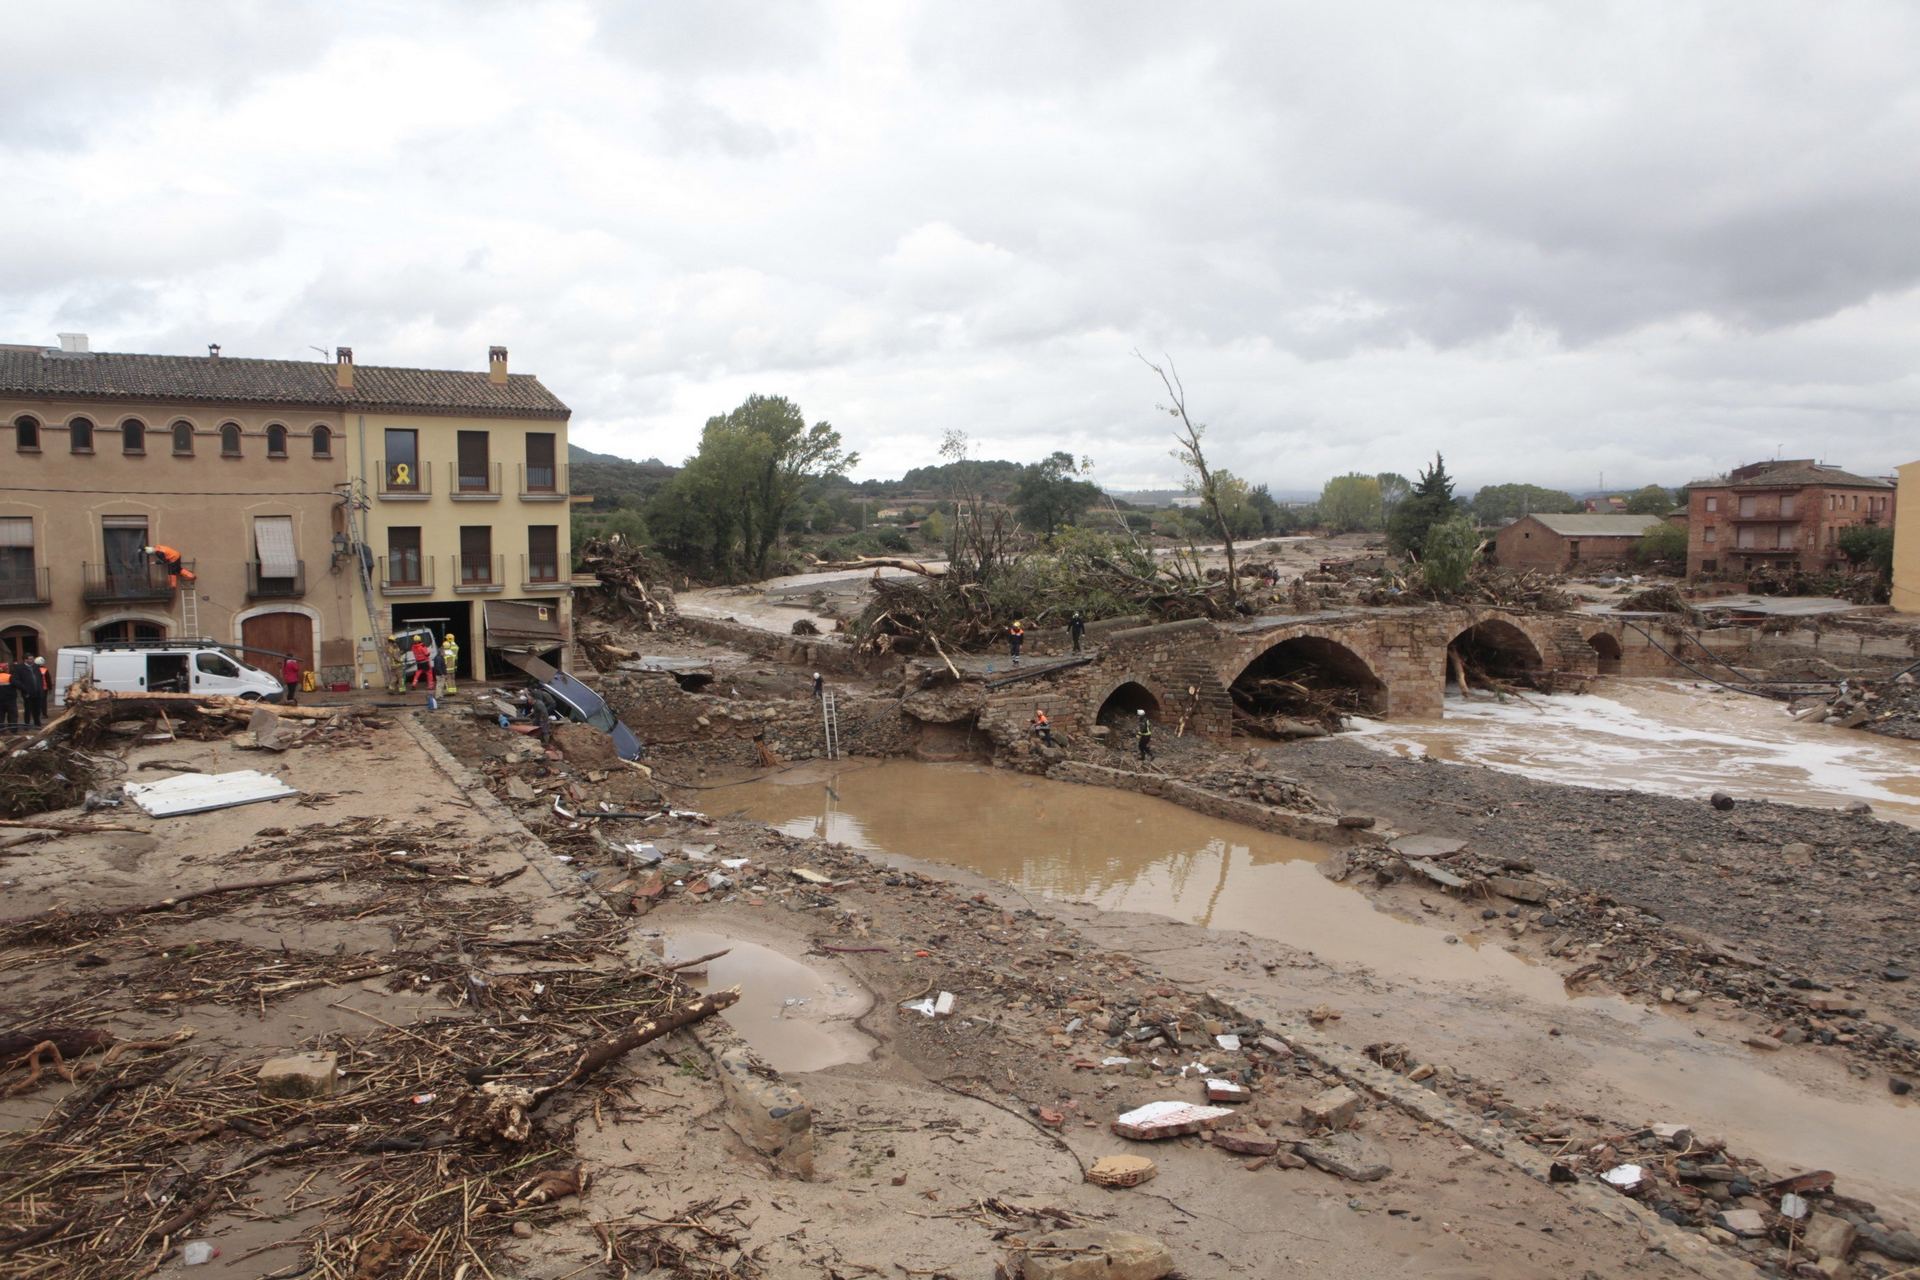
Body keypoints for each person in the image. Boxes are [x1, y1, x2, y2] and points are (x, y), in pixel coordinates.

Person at [13, 656, 44, 728]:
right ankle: (27, 724)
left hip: (37, 692)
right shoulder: (19, 668)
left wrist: (41, 688)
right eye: (30, 659)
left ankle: (37, 723)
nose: (33, 660)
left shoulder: (36, 667)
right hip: (27, 693)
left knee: (37, 709)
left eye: (33, 658)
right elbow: (15, 680)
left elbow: (40, 678)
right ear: (25, 660)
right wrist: (23, 688)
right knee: (28, 709)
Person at [0, 663, 14, 730]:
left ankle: (1, 730)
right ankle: (13, 729)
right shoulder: (9, 676)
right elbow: (17, 684)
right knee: (12, 715)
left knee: (1, 716)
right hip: (9, 699)